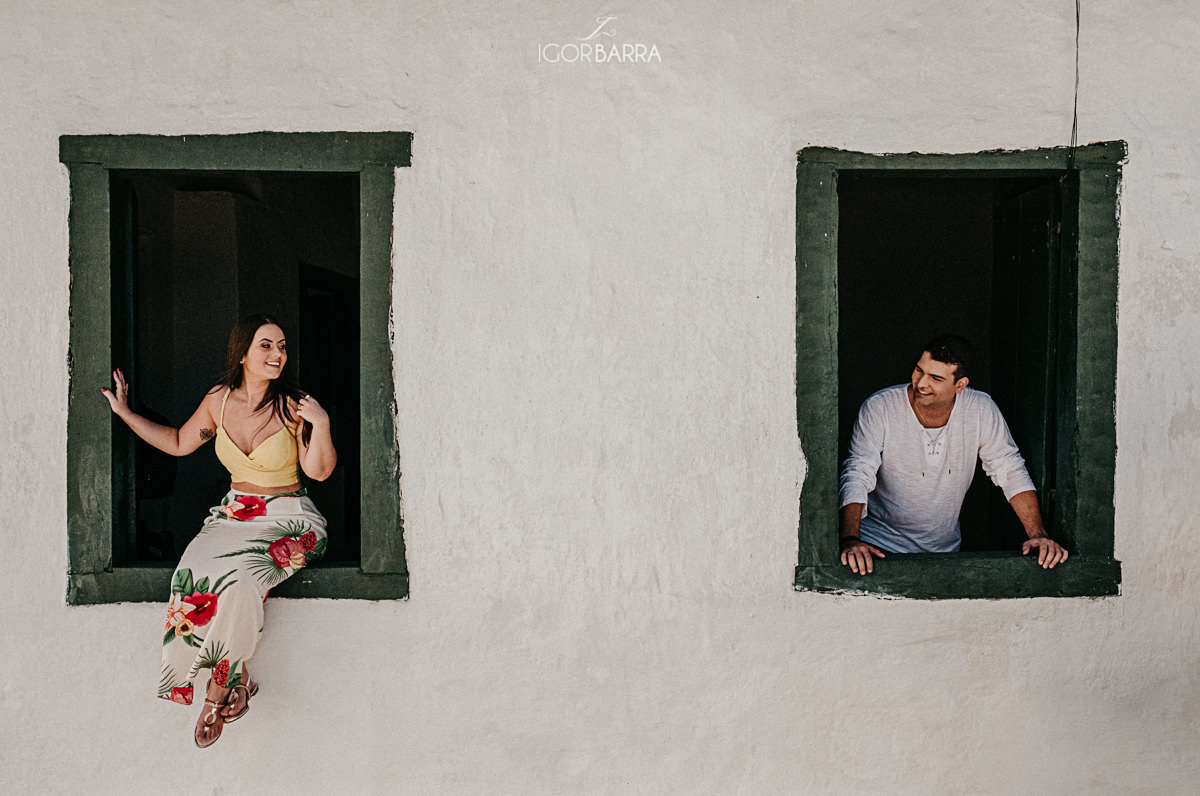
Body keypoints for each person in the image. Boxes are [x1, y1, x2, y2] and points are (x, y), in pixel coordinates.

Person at [102, 313, 337, 747]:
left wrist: (320, 423)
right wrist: (125, 413)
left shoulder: (294, 406)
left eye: (282, 346)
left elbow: (319, 471)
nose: (277, 354)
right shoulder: (219, 401)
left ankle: (220, 688)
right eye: (266, 345)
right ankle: (240, 678)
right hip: (234, 515)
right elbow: (178, 442)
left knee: (244, 581)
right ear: (242, 353)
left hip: (291, 521)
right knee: (189, 578)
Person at [838, 334, 1068, 575]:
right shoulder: (880, 407)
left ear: (960, 385)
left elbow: (1009, 470)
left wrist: (1038, 535)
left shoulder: (980, 408)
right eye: (919, 370)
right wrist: (850, 539)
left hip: (945, 553)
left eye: (936, 378)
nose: (921, 384)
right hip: (877, 548)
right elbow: (858, 471)